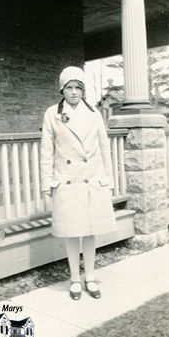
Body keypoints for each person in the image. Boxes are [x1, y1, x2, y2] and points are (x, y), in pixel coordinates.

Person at [40, 66, 117, 300]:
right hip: (67, 181)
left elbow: (104, 148)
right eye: (69, 87)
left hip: (92, 180)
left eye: (78, 88)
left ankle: (90, 278)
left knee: (91, 232)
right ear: (61, 89)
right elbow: (46, 152)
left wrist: (108, 180)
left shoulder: (94, 113)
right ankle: (75, 279)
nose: (74, 92)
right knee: (73, 233)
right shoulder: (52, 114)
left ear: (83, 90)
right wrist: (47, 184)